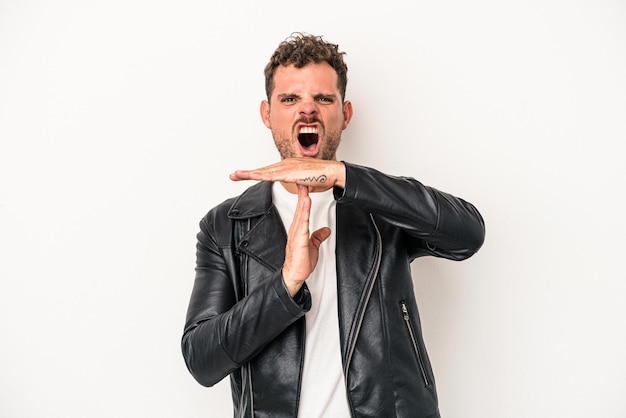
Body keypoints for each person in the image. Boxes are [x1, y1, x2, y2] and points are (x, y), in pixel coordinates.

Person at [182, 32, 485, 418]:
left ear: (344, 114)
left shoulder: (381, 208)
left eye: (323, 99)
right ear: (266, 113)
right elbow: (202, 359)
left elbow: (469, 234)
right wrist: (285, 285)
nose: (307, 110)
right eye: (290, 99)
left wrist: (344, 177)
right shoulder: (225, 226)